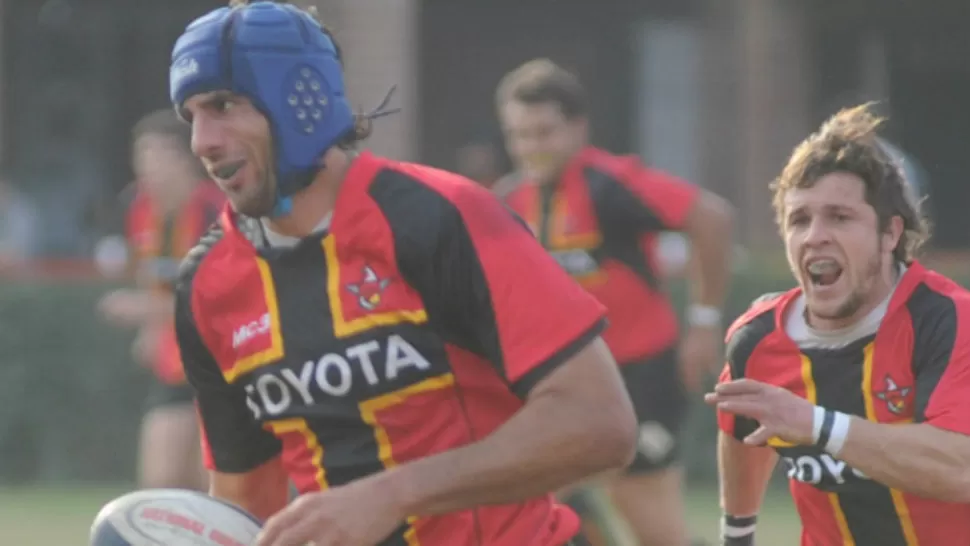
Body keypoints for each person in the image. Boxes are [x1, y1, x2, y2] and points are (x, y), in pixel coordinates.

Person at [168, 2, 638, 546]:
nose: (203, 141)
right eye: (193, 117)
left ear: (298, 98)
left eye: (224, 105)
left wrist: (392, 495)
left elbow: (599, 423)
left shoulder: (442, 215)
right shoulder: (206, 285)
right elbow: (245, 504)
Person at [496, 58, 734, 546]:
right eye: (519, 136)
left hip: (640, 379)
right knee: (529, 500)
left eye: (544, 132)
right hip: (563, 385)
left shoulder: (611, 185)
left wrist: (705, 323)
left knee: (654, 528)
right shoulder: (505, 203)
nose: (531, 148)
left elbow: (712, 218)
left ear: (578, 128)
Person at [709, 103, 970, 546]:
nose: (814, 236)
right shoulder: (756, 339)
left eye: (840, 217)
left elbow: (960, 468)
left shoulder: (948, 319)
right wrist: (737, 533)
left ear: (890, 234)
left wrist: (818, 426)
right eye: (800, 219)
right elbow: (740, 431)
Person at [98, 109, 224, 491]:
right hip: (174, 365)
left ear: (187, 161)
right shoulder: (139, 210)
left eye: (158, 155)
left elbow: (219, 303)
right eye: (142, 155)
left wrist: (145, 311)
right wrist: (150, 330)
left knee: (215, 487)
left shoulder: (217, 214)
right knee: (161, 484)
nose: (147, 167)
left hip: (223, 366)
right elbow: (151, 275)